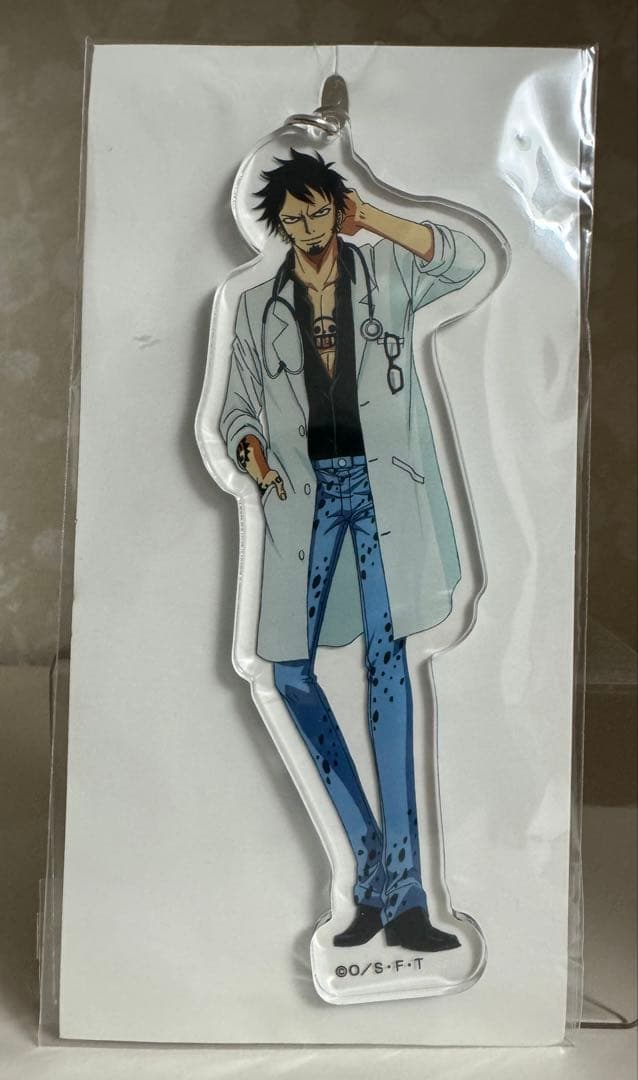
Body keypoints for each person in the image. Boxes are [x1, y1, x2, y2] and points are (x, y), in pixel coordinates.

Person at [219, 150, 485, 950]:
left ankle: (406, 898)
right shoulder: (257, 306)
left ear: (338, 208)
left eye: (318, 210)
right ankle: (373, 866)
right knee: (287, 671)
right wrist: (252, 455)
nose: (306, 227)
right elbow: (236, 408)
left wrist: (380, 219)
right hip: (302, 499)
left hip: (383, 492)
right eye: (291, 217)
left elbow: (467, 260)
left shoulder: (387, 275)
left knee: (388, 669)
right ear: (277, 224)